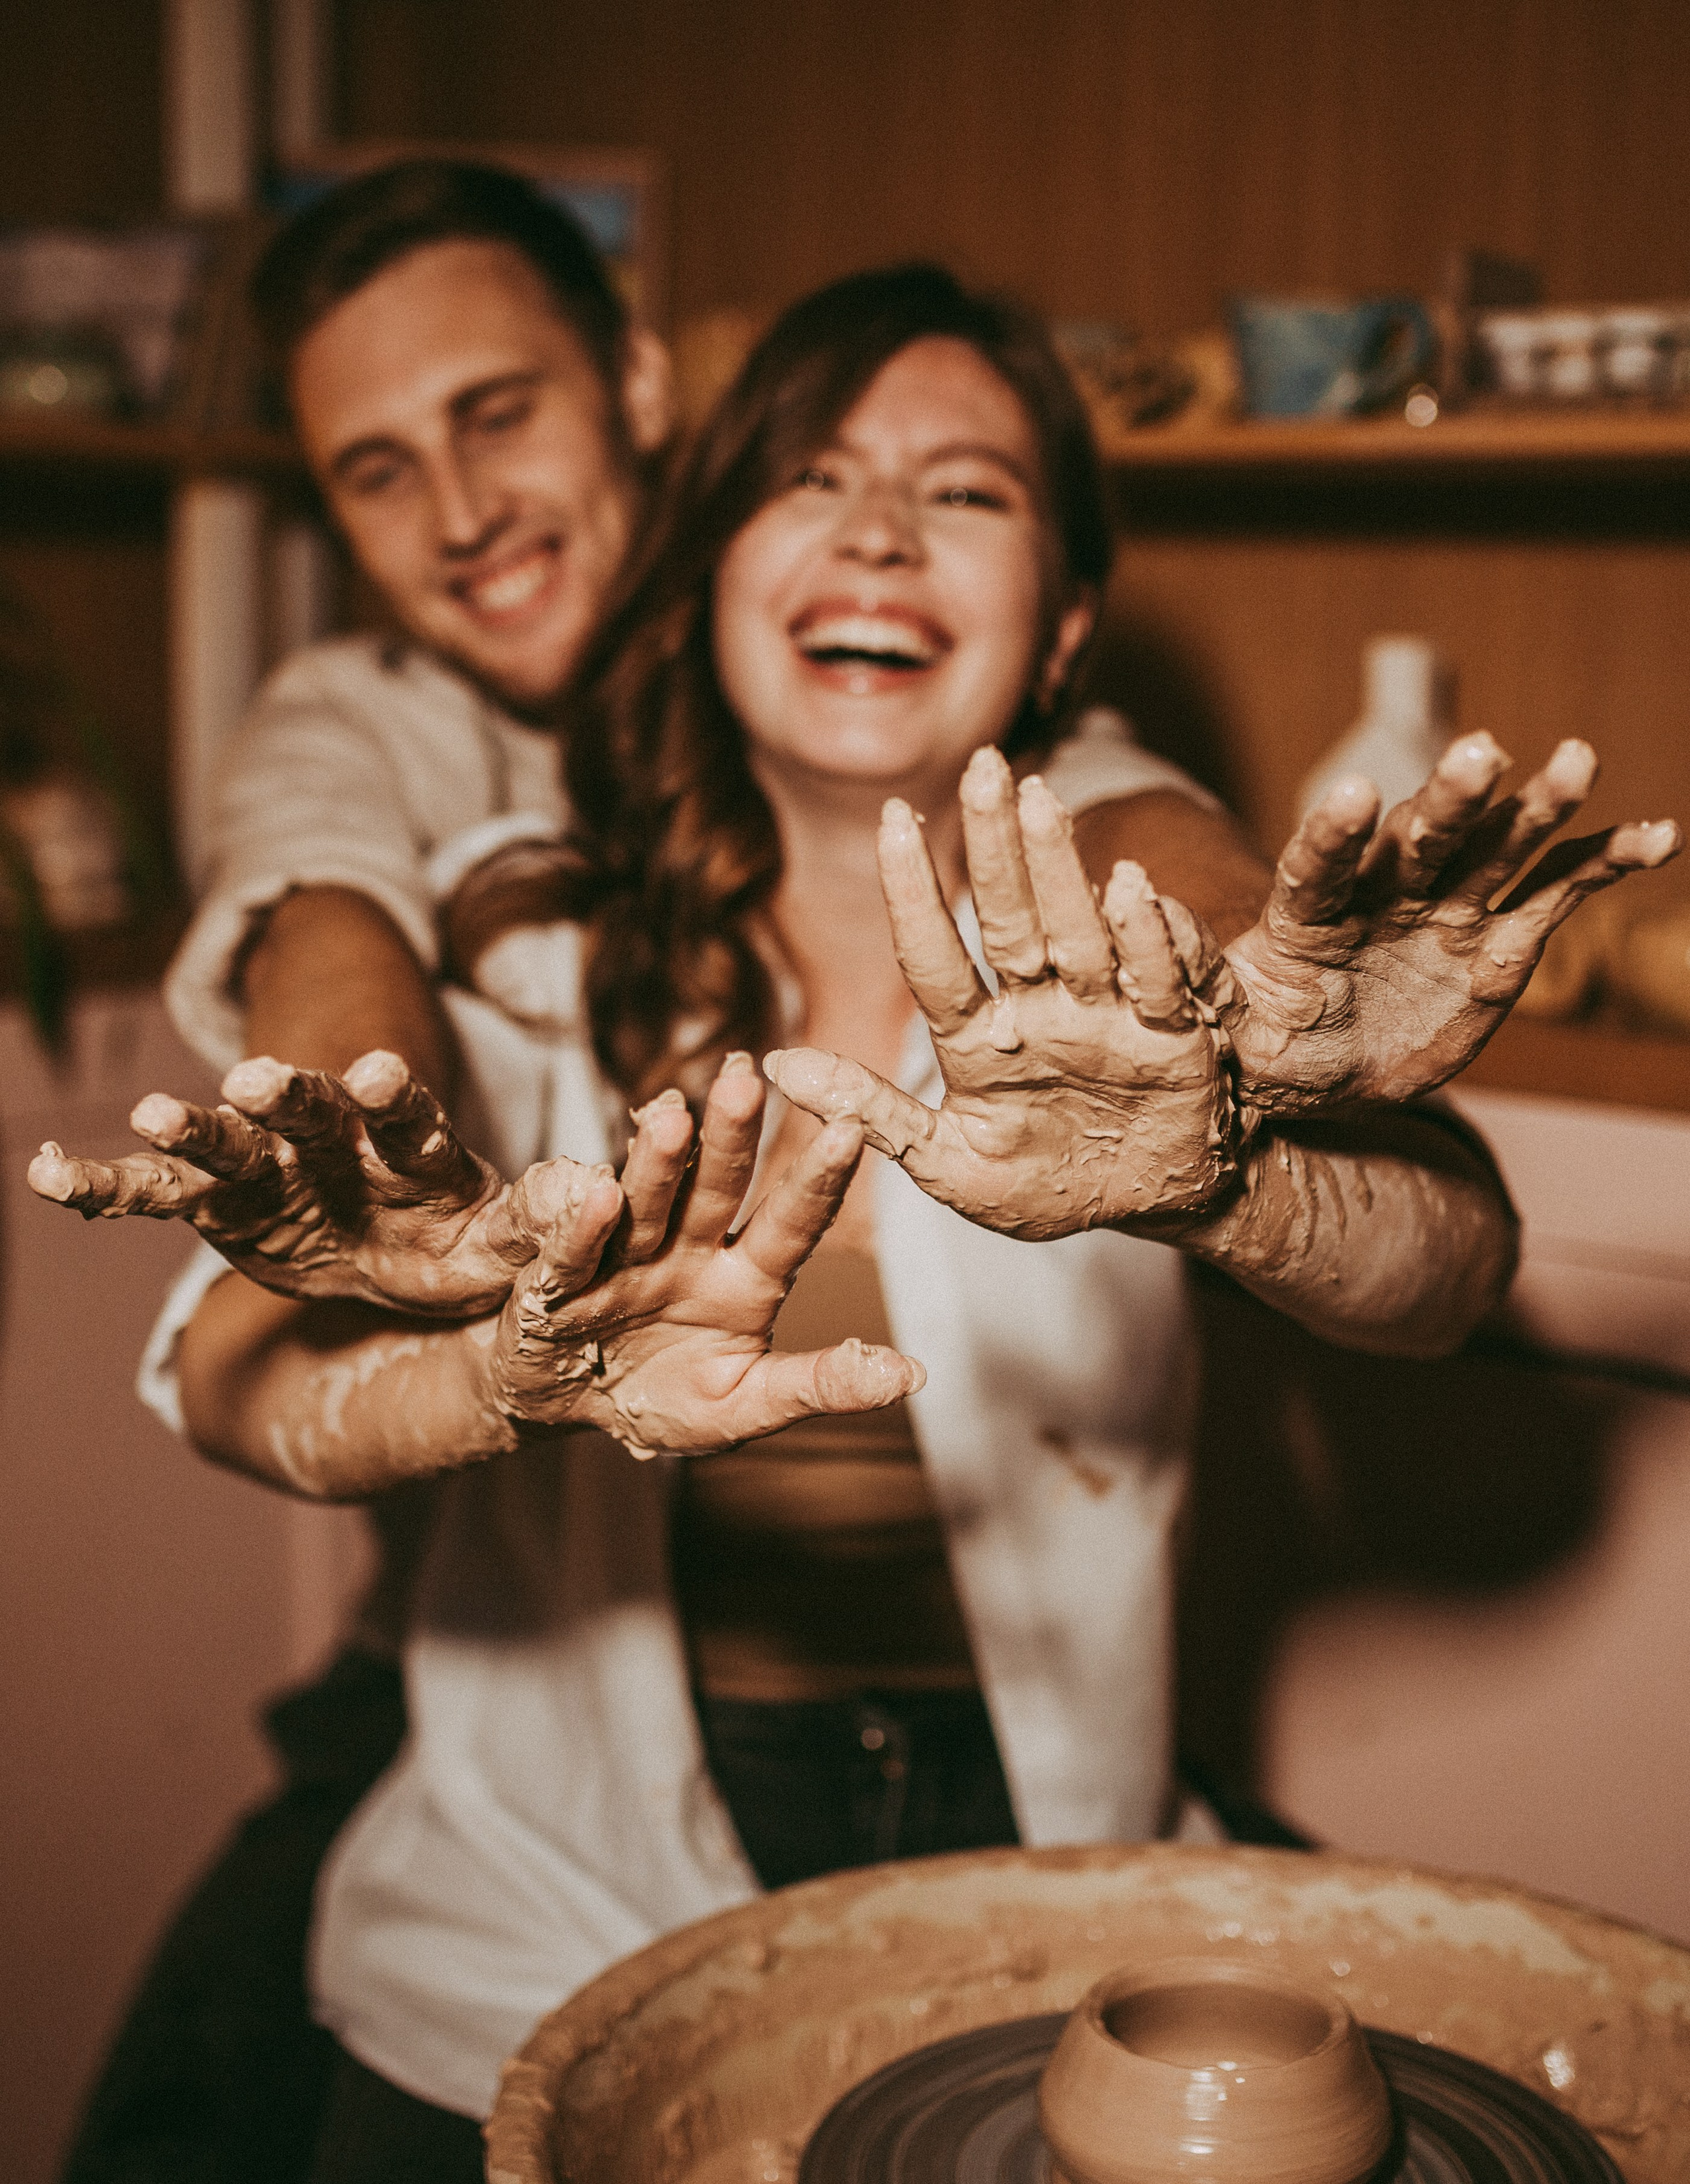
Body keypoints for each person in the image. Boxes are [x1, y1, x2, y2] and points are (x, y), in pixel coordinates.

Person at [36, 264, 1677, 2182]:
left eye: (968, 491)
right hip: (530, 1883)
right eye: (811, 478)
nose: (884, 530)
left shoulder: (1121, 979)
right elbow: (246, 1380)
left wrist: (1224, 1169)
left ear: (1062, 625)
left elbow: (1447, 1259)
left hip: (1045, 1834)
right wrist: (500, 1375)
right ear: (710, 566)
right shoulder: (517, 950)